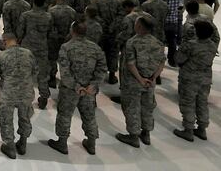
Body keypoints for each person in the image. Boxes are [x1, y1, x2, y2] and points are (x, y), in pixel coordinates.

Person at [48, 21, 107, 155]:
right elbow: (102, 68)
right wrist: (93, 84)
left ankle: (62, 143)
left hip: (70, 90)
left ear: (72, 31)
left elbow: (64, 71)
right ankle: (91, 143)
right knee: (89, 116)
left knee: (64, 115)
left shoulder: (66, 47)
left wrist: (76, 86)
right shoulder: (95, 48)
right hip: (89, 91)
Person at [116, 16, 166, 148]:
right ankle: (146, 133)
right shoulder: (158, 43)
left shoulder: (132, 42)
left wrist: (140, 79)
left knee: (132, 108)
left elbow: (131, 64)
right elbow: (162, 62)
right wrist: (153, 78)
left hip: (134, 82)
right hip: (150, 82)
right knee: (147, 108)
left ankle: (133, 136)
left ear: (139, 27)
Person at [0, 32, 38, 159]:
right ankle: (23, 143)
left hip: (8, 94)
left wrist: (6, 84)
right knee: (25, 118)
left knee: (6, 119)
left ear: (4, 41)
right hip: (26, 92)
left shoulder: (0, 57)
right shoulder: (28, 54)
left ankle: (9, 146)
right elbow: (35, 71)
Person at [172, 19, 218, 142]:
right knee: (202, 103)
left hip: (189, 78)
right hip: (205, 78)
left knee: (188, 103)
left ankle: (188, 130)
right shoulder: (213, 46)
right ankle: (202, 128)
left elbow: (179, 59)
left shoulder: (190, 45)